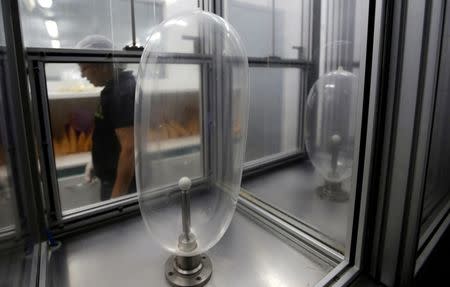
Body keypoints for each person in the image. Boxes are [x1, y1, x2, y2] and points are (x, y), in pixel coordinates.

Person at [77, 35, 136, 200]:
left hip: (121, 185)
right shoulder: (113, 89)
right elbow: (111, 137)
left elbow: (130, 149)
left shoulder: (121, 91)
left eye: (84, 67)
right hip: (112, 179)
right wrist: (96, 163)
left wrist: (116, 200)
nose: (82, 74)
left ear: (101, 64)